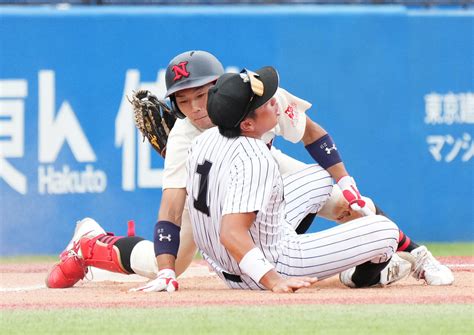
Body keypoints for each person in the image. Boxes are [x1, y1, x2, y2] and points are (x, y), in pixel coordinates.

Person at [45, 51, 453, 290]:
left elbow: (312, 132)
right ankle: (91, 243)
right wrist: (169, 272)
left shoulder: (254, 95)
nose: (195, 108)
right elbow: (170, 208)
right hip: (212, 203)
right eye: (183, 102)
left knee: (340, 198)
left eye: (202, 95)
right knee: (162, 263)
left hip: (262, 166)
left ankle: (409, 254)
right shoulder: (187, 136)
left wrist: (343, 178)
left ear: (221, 85)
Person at [178, 66, 411, 292]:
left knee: (319, 177)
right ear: (247, 124)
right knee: (385, 231)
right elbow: (231, 233)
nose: (276, 104)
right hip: (266, 265)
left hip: (226, 261)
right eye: (268, 103)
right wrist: (273, 280)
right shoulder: (255, 157)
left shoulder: (203, 140)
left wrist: (344, 180)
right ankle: (360, 278)